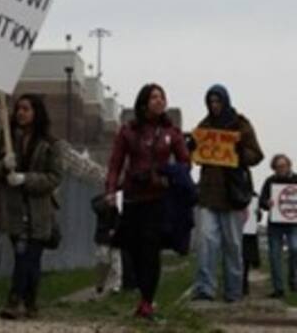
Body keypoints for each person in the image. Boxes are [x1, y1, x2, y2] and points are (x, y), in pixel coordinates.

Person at [105, 84, 189, 321]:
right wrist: (111, 189)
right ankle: (143, 292)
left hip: (157, 199)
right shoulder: (128, 131)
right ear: (143, 102)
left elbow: (185, 162)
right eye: (154, 97)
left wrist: (167, 174)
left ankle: (147, 301)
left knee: (151, 250)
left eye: (162, 97)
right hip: (133, 197)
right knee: (132, 248)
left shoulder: (171, 132)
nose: (159, 101)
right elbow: (115, 163)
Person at [0, 94, 63, 320]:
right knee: (22, 255)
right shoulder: (5, 139)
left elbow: (54, 177)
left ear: (36, 113)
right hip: (14, 209)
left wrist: (25, 179)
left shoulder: (50, 144)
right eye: (18, 109)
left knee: (30, 257)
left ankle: (16, 300)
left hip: (39, 211)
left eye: (26, 109)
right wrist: (3, 165)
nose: (20, 113)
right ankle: (29, 302)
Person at [192, 85, 263, 303]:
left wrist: (239, 150)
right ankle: (205, 288)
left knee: (233, 244)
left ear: (225, 101)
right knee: (206, 242)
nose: (214, 106)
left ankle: (233, 290)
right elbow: (194, 152)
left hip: (232, 195)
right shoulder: (204, 126)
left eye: (218, 102)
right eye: (211, 102)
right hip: (209, 194)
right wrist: (190, 145)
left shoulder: (240, 124)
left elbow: (257, 155)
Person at [259, 154, 297, 299]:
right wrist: (266, 203)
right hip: (275, 224)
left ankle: (293, 280)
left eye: (283, 165)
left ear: (289, 165)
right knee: (274, 256)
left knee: (295, 249)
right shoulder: (270, 181)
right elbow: (262, 200)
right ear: (274, 168)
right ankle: (278, 288)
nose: (280, 169)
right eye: (277, 167)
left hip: (293, 223)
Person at [91, 192, 122, 295]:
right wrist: (106, 201)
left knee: (116, 261)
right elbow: (96, 207)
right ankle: (100, 283)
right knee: (103, 260)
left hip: (116, 236)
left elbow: (122, 216)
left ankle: (116, 286)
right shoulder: (101, 198)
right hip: (103, 236)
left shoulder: (121, 197)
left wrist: (116, 229)